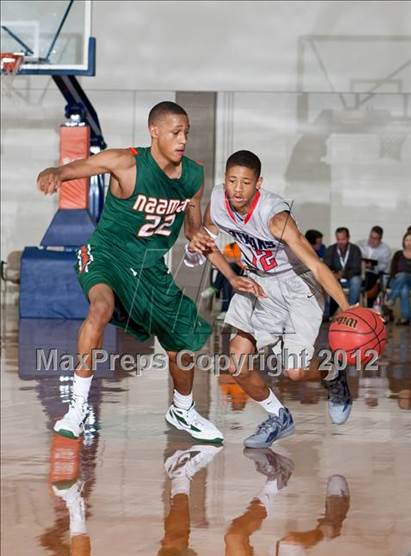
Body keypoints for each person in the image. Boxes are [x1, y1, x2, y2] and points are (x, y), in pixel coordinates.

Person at [37, 101, 223, 444]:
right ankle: (77, 408)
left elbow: (191, 226)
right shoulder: (126, 162)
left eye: (187, 133)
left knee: (181, 346)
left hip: (149, 267)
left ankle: (183, 409)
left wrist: (197, 236)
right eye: (175, 132)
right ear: (155, 132)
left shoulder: (194, 176)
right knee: (100, 308)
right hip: (106, 254)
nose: (183, 139)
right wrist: (55, 173)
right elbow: (81, 167)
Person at [186, 150, 354, 449]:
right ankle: (279, 417)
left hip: (296, 284)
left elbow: (316, 265)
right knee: (237, 365)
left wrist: (346, 307)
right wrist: (231, 276)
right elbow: (206, 239)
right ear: (224, 180)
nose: (237, 189)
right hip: (257, 282)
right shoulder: (219, 201)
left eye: (246, 182)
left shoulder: (276, 217)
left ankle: (333, 373)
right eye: (232, 181)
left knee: (295, 371)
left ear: (258, 183)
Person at [324, 227, 362, 317]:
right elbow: (326, 265)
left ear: (348, 238)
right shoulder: (331, 249)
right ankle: (327, 313)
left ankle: (350, 310)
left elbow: (357, 269)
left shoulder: (355, 249)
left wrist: (342, 274)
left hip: (350, 279)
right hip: (335, 279)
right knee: (324, 281)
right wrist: (333, 274)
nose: (340, 242)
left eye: (343, 239)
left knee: (356, 281)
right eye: (338, 239)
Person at [385, 231, 411, 325]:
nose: (409, 242)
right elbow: (392, 272)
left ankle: (391, 299)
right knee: (404, 288)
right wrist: (396, 279)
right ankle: (406, 317)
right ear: (403, 241)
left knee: (403, 275)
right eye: (407, 240)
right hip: (397, 281)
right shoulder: (398, 254)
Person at [357, 225, 391, 307]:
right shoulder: (360, 244)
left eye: (375, 238)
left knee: (370, 278)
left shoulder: (385, 249)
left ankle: (368, 306)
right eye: (371, 237)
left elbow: (383, 266)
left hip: (375, 274)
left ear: (380, 239)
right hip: (359, 272)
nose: (372, 240)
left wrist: (372, 266)